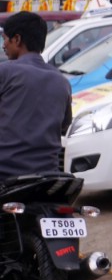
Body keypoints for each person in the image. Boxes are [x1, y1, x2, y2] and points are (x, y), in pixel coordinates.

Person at [0, 12, 73, 180]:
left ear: (17, 39)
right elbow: (64, 125)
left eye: (5, 39)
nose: (3, 45)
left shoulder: (5, 72)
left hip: (6, 174)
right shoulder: (62, 82)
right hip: (47, 176)